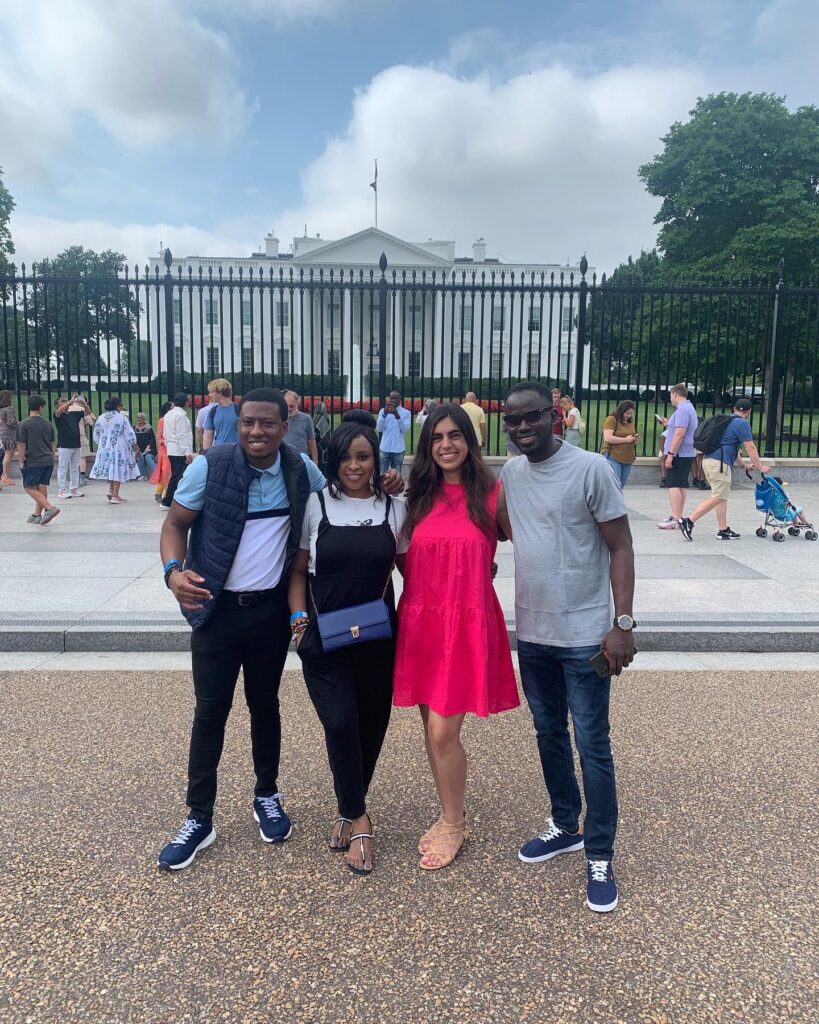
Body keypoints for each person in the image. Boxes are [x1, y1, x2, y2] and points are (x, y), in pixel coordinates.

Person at [156, 388, 404, 872]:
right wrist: (172, 571)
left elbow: (345, 484)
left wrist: (387, 481)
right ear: (237, 420)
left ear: (282, 424)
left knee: (264, 706)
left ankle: (266, 794)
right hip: (216, 609)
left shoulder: (299, 471)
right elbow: (175, 524)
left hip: (269, 613)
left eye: (267, 423)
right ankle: (198, 816)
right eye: (248, 422)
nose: (256, 432)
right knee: (211, 712)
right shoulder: (211, 465)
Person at [500, 381, 635, 914]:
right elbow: (510, 528)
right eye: (512, 420)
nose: (522, 426)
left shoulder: (592, 469)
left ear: (553, 416)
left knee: (593, 745)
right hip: (533, 634)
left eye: (532, 416)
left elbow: (621, 545)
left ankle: (600, 851)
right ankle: (564, 823)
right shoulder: (512, 472)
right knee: (548, 733)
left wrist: (622, 623)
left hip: (585, 636)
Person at [393, 404, 518, 871]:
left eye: (455, 436)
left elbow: (535, 539)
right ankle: (451, 812)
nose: (446, 444)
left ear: (470, 441)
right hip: (422, 622)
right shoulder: (416, 498)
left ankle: (453, 821)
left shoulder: (493, 494)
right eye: (437, 437)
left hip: (465, 624)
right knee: (431, 729)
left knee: (444, 731)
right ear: (427, 446)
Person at [288, 422, 408, 875]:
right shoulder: (317, 506)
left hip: (378, 638)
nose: (354, 466)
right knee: (340, 723)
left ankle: (347, 805)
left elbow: (410, 568)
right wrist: (299, 624)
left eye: (363, 457)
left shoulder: (394, 508)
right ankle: (359, 818)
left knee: (370, 727)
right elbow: (299, 571)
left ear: (377, 460)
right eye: (345, 458)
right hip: (325, 639)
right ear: (332, 461)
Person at [678, 398, 770, 541]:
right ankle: (688, 521)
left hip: (708, 461)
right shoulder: (742, 424)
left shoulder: (726, 422)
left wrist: (743, 465)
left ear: (734, 408)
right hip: (719, 464)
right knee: (719, 496)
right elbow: (750, 448)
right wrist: (760, 467)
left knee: (721, 496)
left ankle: (723, 530)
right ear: (749, 411)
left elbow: (734, 447)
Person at [658, 384, 697, 530]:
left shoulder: (682, 410)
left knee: (673, 484)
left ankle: (675, 517)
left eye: (670, 395)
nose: (670, 398)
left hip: (679, 453)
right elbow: (679, 429)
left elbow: (679, 434)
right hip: (686, 452)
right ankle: (678, 516)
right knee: (681, 484)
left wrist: (670, 455)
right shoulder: (688, 408)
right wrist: (669, 423)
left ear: (675, 394)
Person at [16, 394, 60, 525]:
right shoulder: (48, 424)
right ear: (41, 407)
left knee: (29, 487)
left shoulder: (24, 424)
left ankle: (49, 508)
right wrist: (52, 457)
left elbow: (22, 445)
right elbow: (53, 443)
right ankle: (36, 515)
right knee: (41, 486)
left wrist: (21, 461)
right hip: (48, 460)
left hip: (33, 460)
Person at [89, 396, 140, 502]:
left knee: (111, 468)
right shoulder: (122, 418)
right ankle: (115, 495)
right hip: (118, 447)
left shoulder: (101, 417)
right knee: (118, 469)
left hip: (105, 447)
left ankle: (111, 490)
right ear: (117, 406)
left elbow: (96, 434)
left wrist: (102, 443)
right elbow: (129, 435)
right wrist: (135, 446)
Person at [161, 392, 194, 508]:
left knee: (176, 476)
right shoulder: (180, 416)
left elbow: (165, 434)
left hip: (172, 449)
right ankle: (171, 501)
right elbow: (181, 435)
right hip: (179, 450)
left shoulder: (169, 414)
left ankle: (168, 500)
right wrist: (187, 452)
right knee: (180, 476)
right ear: (185, 402)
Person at [54, 395, 90, 498]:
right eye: (63, 401)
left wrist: (84, 403)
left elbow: (88, 412)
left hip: (76, 444)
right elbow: (60, 411)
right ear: (57, 405)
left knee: (75, 468)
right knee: (63, 467)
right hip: (64, 445)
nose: (66, 403)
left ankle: (74, 488)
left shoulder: (73, 414)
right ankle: (62, 490)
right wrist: (70, 401)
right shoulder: (58, 415)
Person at [600, 401, 639, 486]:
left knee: (621, 485)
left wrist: (634, 439)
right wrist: (625, 440)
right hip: (613, 455)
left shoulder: (629, 422)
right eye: (627, 413)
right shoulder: (611, 419)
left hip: (627, 457)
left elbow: (629, 436)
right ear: (621, 411)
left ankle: (617, 499)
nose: (629, 416)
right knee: (614, 485)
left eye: (631, 413)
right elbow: (607, 438)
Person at [376, 390, 411, 474]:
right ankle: (381, 488)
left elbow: (405, 429)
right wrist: (384, 415)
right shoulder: (382, 411)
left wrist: (397, 416)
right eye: (391, 398)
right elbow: (379, 429)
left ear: (400, 399)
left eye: (396, 398)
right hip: (384, 449)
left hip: (398, 450)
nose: (393, 400)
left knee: (396, 476)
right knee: (382, 474)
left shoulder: (406, 413)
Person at [282, 390, 318, 463]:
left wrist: (315, 460)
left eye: (291, 406)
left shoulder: (306, 418)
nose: (288, 409)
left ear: (297, 404)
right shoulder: (280, 418)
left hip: (301, 460)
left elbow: (311, 440)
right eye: (286, 406)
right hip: (284, 459)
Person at [202, 379, 238, 450]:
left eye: (211, 392)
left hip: (236, 451)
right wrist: (206, 454)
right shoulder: (213, 411)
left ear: (220, 391)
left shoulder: (239, 409)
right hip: (218, 451)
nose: (209, 395)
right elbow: (208, 436)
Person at [149, 401, 174, 503]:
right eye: (172, 407)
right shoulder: (162, 420)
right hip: (165, 449)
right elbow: (159, 436)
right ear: (168, 409)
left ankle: (167, 494)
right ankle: (159, 492)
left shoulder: (174, 419)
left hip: (173, 448)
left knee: (171, 472)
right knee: (166, 471)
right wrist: (164, 441)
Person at [0, 390, 19, 485]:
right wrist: (20, 423)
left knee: (6, 454)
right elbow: (11, 422)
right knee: (8, 455)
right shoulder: (9, 408)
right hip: (10, 435)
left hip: (3, 434)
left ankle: (4, 475)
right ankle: (5, 476)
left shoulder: (1, 409)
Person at [195, 386, 219, 453]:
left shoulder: (202, 411)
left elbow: (199, 431)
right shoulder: (224, 410)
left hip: (207, 444)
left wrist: (198, 447)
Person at [134, 412, 158, 480]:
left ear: (144, 419)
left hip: (150, 449)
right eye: (137, 417)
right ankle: (143, 475)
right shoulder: (134, 428)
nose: (138, 419)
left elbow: (152, 439)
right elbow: (133, 439)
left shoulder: (148, 427)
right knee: (140, 456)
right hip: (139, 449)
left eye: (140, 417)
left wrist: (148, 447)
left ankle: (157, 474)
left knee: (147, 457)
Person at [311, 399, 331, 465]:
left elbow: (315, 431)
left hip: (318, 444)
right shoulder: (326, 418)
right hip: (324, 443)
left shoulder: (316, 417)